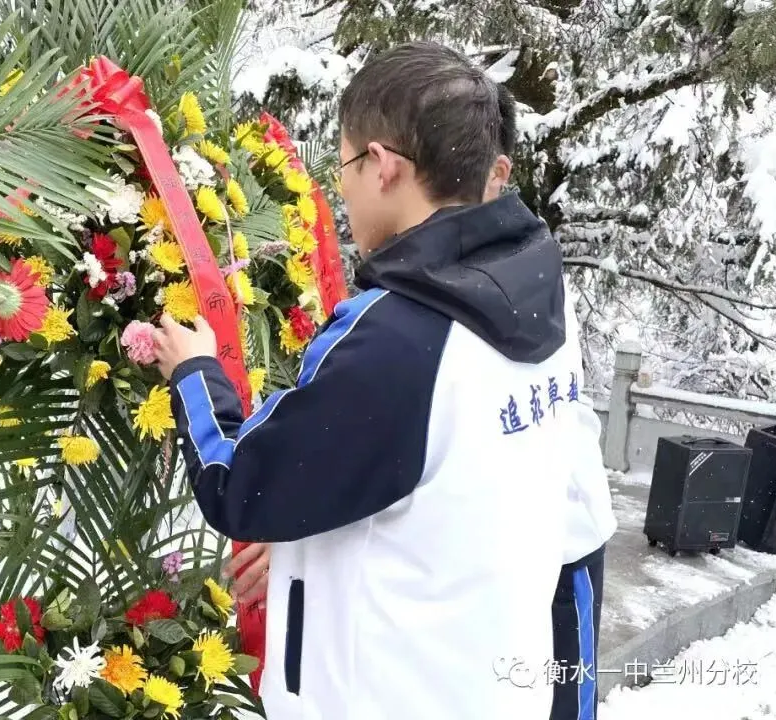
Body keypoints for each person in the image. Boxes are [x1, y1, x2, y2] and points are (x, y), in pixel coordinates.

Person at [154, 41, 604, 720]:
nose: (343, 191)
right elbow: (445, 488)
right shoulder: (537, 294)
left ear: (383, 166)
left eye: (343, 168)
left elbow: (238, 481)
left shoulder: (401, 335)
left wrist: (193, 369)